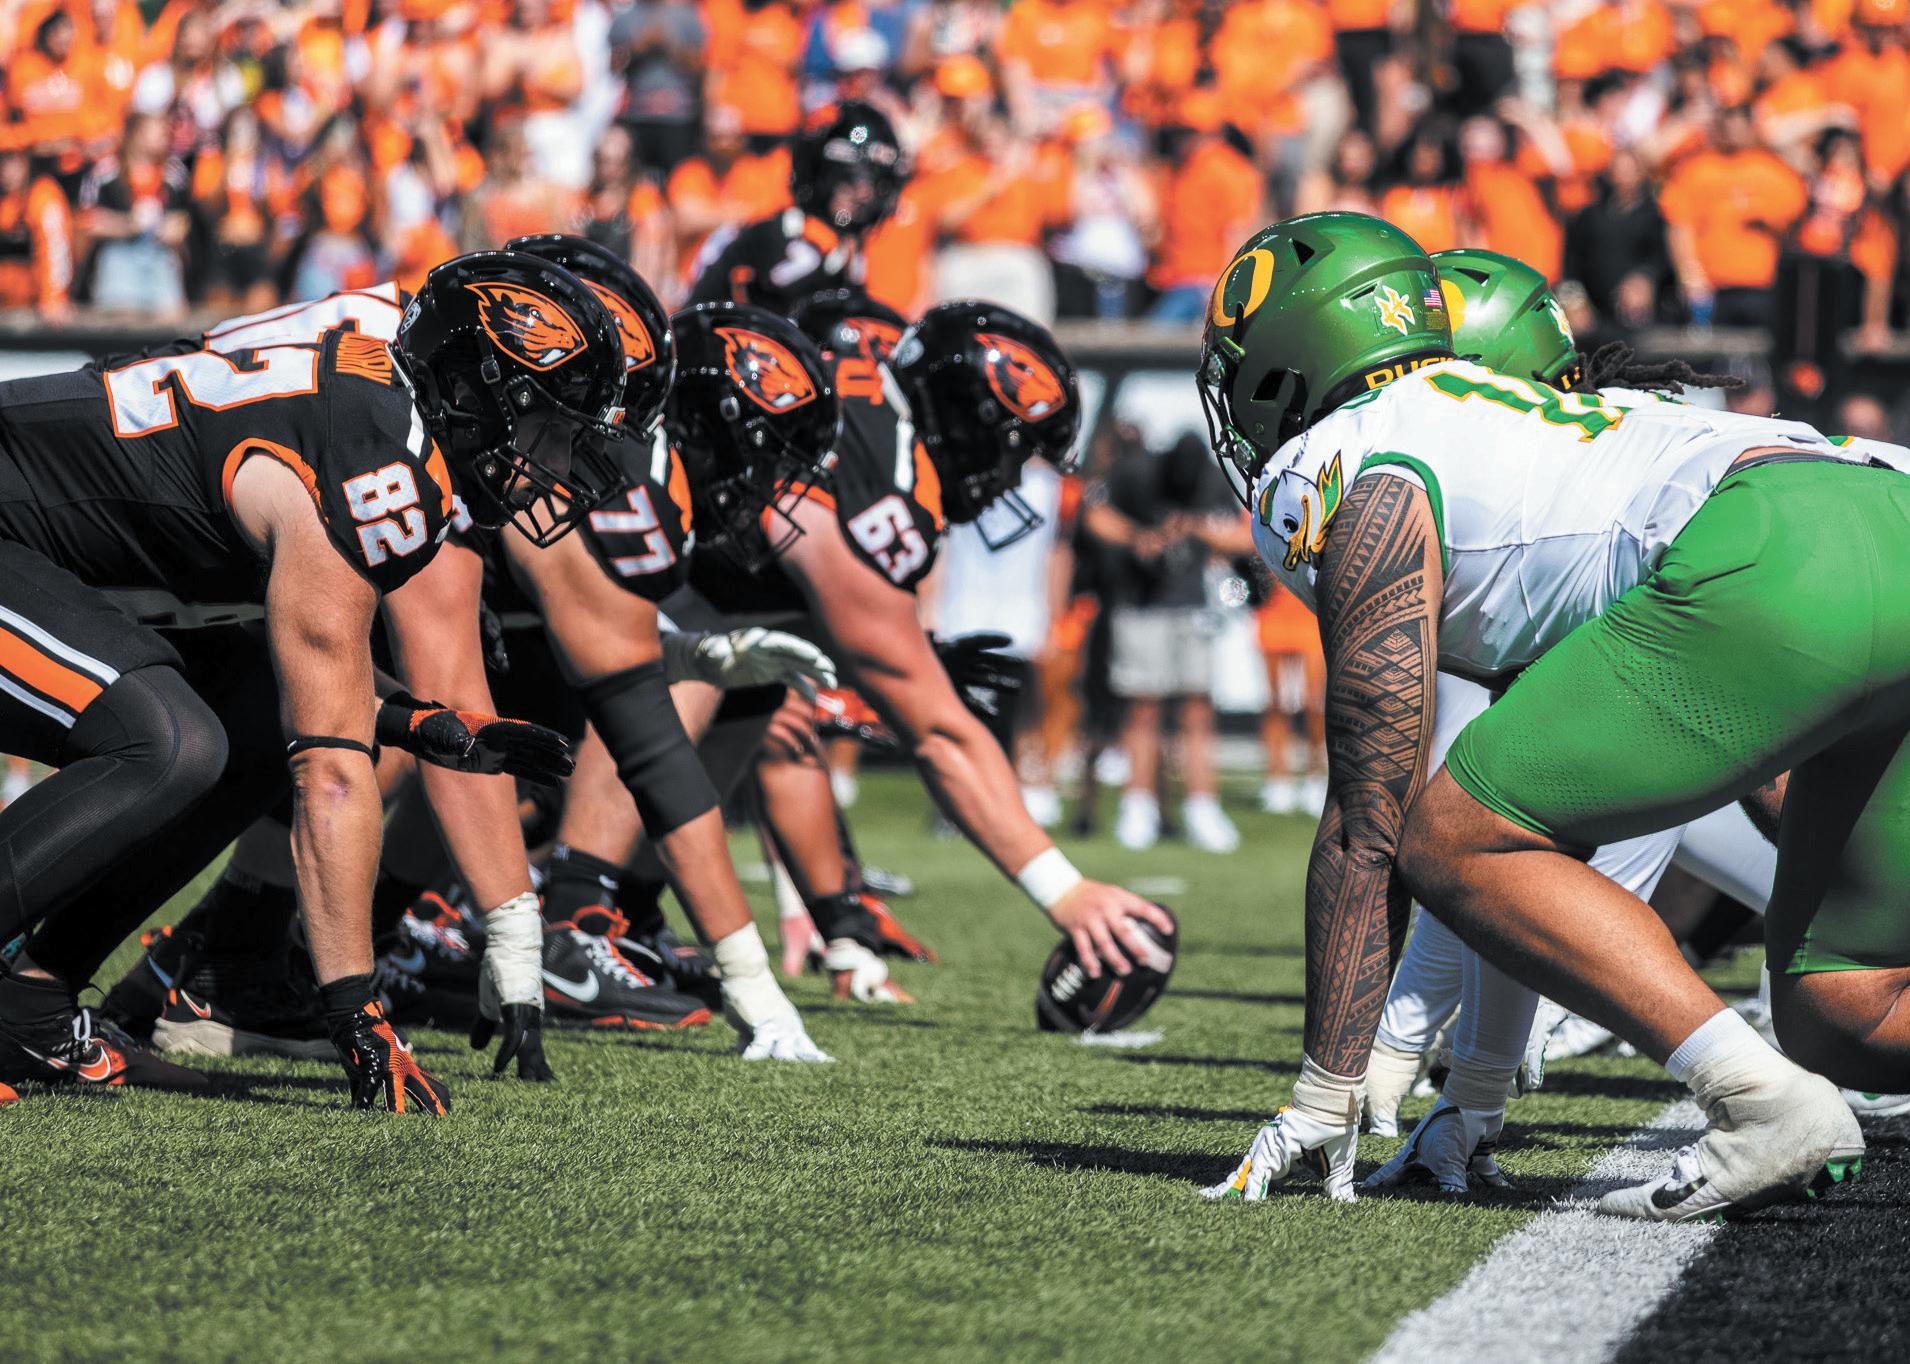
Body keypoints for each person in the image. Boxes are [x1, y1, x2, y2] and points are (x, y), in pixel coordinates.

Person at [1199, 211, 1896, 1221]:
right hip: (1874, 504)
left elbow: (1372, 817)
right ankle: (1782, 1078)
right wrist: (1476, 1092)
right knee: (1847, 1006)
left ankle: (1759, 1102)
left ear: (1288, 358)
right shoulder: (1531, 429)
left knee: (1443, 833)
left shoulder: (1354, 456)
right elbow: (1539, 824)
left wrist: (1325, 1085)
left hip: (1773, 550)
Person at [0, 249, 626, 1110]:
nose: (557, 459)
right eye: (551, 425)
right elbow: (330, 771)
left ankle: (30, 1005)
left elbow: (298, 674)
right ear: (476, 394)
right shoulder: (378, 465)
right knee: (170, 742)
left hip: (43, 555)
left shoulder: (379, 390)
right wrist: (356, 1015)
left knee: (250, 725)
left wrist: (415, 722)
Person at [558, 297, 1174, 993]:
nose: (1010, 480)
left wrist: (840, 920)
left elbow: (797, 697)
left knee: (753, 680)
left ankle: (627, 913)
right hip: (584, 537)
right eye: (1013, 451)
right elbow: (940, 735)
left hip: (608, 529)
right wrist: (1065, 890)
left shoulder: (872, 409)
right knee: (685, 659)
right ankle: (572, 922)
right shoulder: (888, 488)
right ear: (968, 421)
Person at [1080, 431, 1245, 854]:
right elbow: (1094, 514)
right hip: (1140, 604)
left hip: (1193, 606)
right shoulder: (1136, 472)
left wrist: (1195, 527)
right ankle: (1138, 807)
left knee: (1197, 710)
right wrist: (1137, 538)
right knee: (1143, 707)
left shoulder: (1211, 478)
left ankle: (1202, 807)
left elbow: (1245, 536)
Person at [686, 99, 906, 316]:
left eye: (877, 182)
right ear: (819, 171)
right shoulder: (779, 235)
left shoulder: (860, 247)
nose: (864, 194)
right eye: (848, 178)